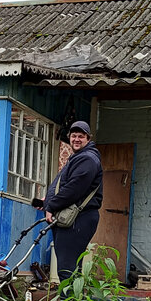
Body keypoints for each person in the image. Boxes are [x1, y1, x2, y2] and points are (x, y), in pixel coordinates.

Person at [33, 120, 103, 281]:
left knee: (66, 268)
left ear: (88, 139)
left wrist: (51, 205)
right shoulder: (79, 157)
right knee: (71, 267)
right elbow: (64, 184)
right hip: (74, 218)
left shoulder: (87, 159)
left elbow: (74, 188)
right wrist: (47, 199)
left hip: (78, 219)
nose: (76, 139)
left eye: (81, 136)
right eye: (73, 136)